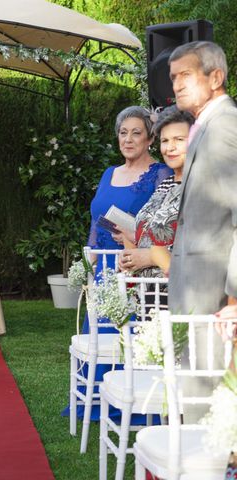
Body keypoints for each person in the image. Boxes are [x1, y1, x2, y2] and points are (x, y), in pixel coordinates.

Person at [167, 41, 237, 420]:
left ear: (216, 77)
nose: (177, 84)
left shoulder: (225, 127)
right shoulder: (205, 126)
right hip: (196, 289)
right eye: (174, 77)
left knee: (208, 406)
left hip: (214, 297)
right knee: (195, 400)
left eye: (186, 75)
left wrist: (235, 300)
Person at [86, 105, 173, 333]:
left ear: (150, 138)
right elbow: (96, 220)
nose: (128, 139)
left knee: (126, 342)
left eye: (136, 133)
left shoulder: (162, 174)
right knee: (98, 339)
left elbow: (165, 225)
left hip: (134, 267)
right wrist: (88, 263)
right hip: (103, 271)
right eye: (123, 133)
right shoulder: (109, 173)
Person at [119, 106, 194, 281]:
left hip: (181, 298)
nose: (170, 148)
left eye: (179, 139)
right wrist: (131, 255)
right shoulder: (165, 185)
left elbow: (209, 254)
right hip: (147, 298)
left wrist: (150, 257)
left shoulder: (203, 187)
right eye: (165, 140)